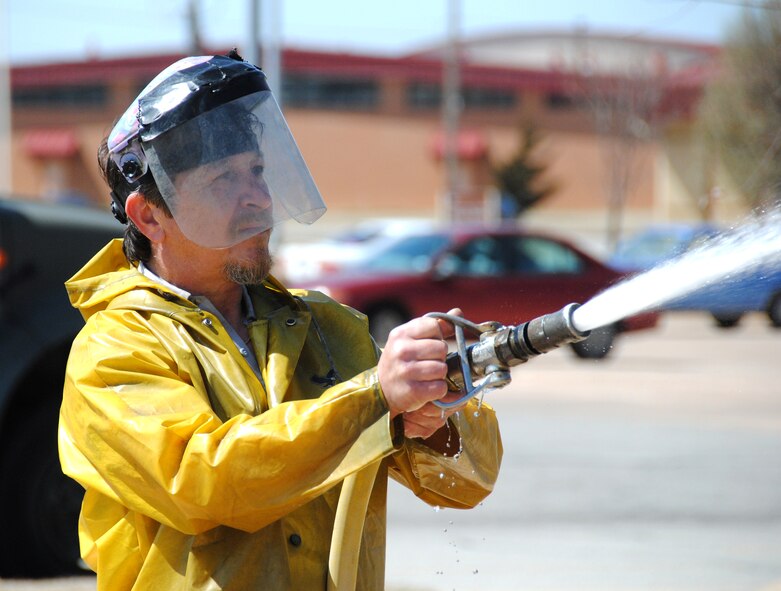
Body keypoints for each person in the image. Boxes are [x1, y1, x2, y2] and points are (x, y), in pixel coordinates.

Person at [58, 51, 503, 591]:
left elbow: (465, 484)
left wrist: (436, 416)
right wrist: (375, 401)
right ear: (149, 216)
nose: (260, 199)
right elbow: (204, 484)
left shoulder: (324, 327)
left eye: (258, 172)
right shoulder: (112, 350)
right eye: (224, 179)